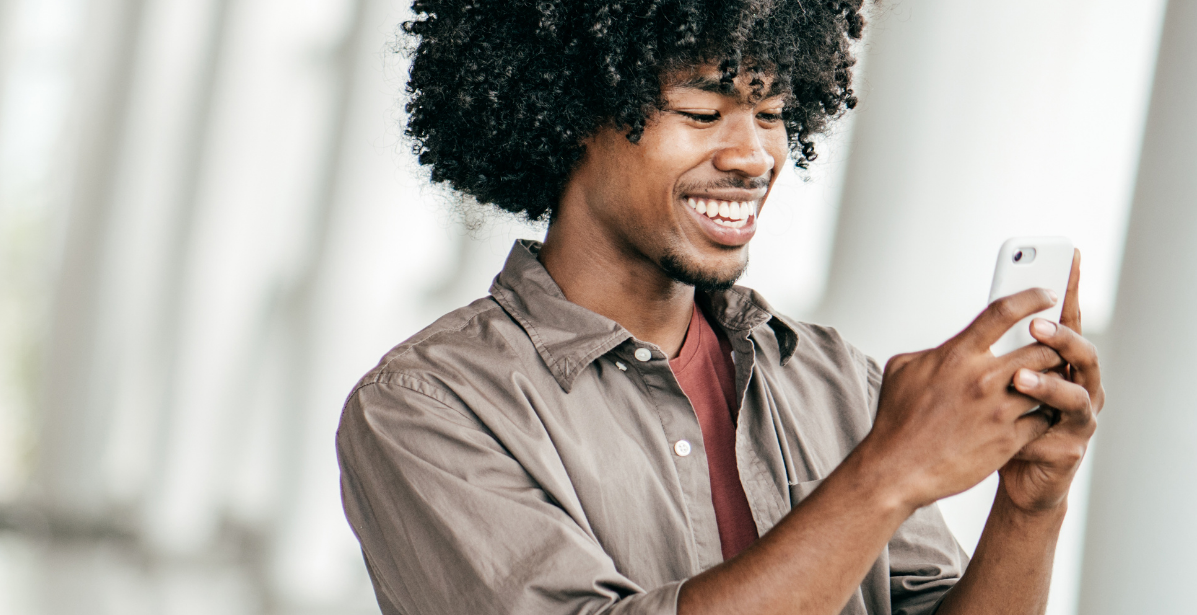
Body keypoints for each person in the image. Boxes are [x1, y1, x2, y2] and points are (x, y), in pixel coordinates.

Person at [334, 1, 1106, 614]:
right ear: (567, 115)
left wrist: (1031, 504)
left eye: (770, 115)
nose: (753, 157)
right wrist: (887, 472)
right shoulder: (428, 408)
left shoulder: (833, 379)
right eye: (702, 113)